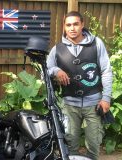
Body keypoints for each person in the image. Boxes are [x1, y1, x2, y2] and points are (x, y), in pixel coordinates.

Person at [46, 11, 112, 160]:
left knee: (94, 144)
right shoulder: (57, 49)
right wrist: (56, 70)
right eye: (68, 25)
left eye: (76, 24)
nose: (72, 28)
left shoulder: (96, 44)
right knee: (70, 145)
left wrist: (106, 98)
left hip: (94, 104)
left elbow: (106, 71)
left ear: (82, 24)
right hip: (69, 106)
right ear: (64, 27)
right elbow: (47, 69)